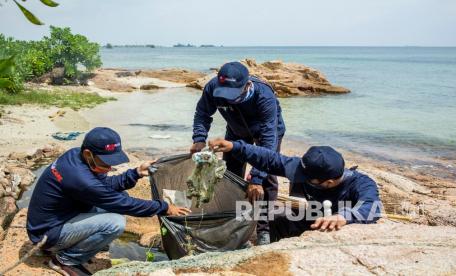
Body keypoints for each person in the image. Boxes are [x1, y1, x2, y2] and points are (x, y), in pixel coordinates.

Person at [27, 127, 191, 276]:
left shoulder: (76, 156)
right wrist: (164, 207)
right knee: (115, 223)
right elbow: (122, 204)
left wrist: (136, 172)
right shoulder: (81, 179)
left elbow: (105, 187)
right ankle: (64, 260)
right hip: (48, 234)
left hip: (62, 217)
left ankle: (78, 246)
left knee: (122, 199)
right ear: (88, 154)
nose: (109, 168)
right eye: (106, 163)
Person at [208, 139, 381, 242]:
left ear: (328, 182)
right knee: (275, 220)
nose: (298, 177)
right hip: (314, 216)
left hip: (337, 225)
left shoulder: (362, 184)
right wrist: (235, 146)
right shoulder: (306, 168)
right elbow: (270, 159)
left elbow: (372, 207)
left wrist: (343, 216)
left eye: (306, 178)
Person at [191, 61, 286, 245]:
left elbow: (268, 142)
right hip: (236, 131)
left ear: (247, 85)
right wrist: (199, 138)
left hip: (267, 133)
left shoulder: (263, 96)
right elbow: (203, 113)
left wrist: (257, 178)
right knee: (231, 175)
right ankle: (235, 222)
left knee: (267, 180)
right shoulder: (212, 87)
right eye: (223, 94)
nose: (227, 99)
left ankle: (264, 229)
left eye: (232, 95)